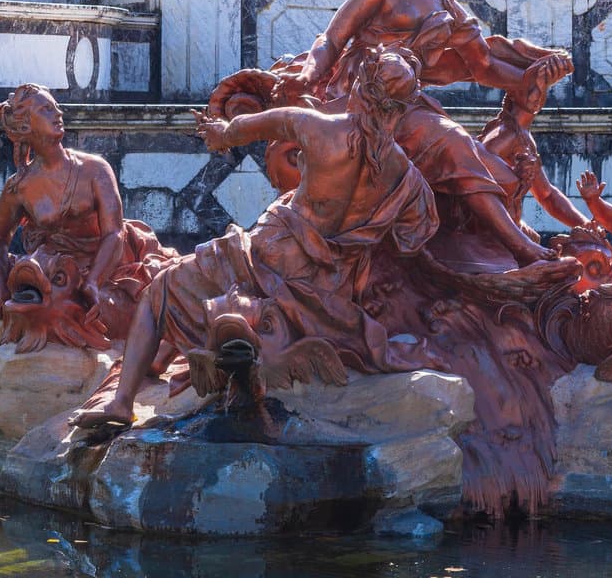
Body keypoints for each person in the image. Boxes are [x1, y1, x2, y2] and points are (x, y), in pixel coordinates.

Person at [75, 48, 442, 428]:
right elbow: (412, 239)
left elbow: (235, 132)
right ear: (402, 107)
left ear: (360, 88)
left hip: (269, 257)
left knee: (160, 290)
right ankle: (201, 353)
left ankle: (121, 403)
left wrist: (216, 133)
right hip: (328, 290)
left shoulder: (315, 128)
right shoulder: (407, 178)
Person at [296, 0, 563, 265]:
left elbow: (484, 64)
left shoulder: (446, 6)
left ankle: (479, 251)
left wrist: (532, 78)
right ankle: (521, 247)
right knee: (452, 140)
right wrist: (309, 74)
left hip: (406, 101)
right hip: (364, 94)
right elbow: (332, 37)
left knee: (494, 166)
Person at [0, 84, 170, 342]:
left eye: (56, 107)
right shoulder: (20, 187)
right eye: (46, 109)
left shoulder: (95, 169)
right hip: (57, 271)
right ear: (25, 126)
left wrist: (93, 281)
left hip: (109, 264)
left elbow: (114, 233)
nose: (58, 113)